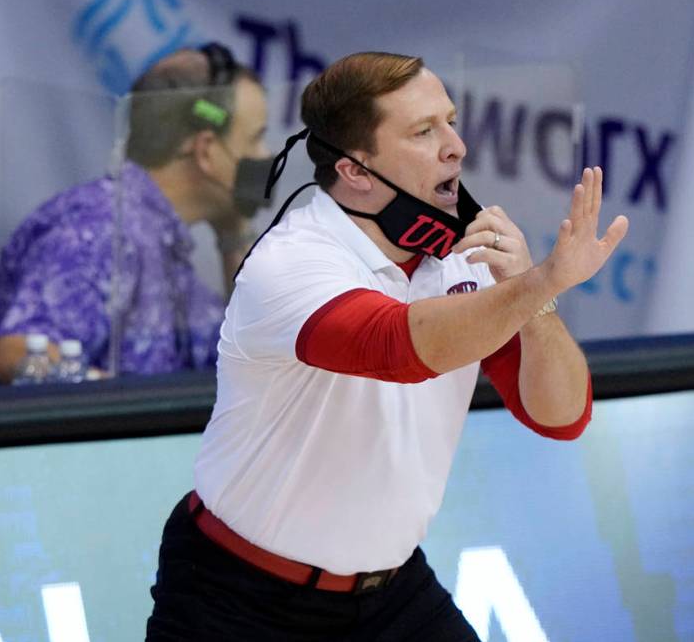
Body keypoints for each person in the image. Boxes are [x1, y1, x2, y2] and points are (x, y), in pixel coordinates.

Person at [145, 52, 629, 640]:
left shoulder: (467, 258)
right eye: (424, 132)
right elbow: (395, 348)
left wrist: (535, 303)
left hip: (392, 594)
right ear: (356, 171)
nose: (457, 147)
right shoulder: (291, 260)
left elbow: (560, 416)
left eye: (450, 122)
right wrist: (539, 283)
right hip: (241, 597)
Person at [0, 43, 271, 385]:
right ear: (206, 150)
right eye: (257, 138)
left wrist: (234, 233)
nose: (267, 154)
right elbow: (18, 355)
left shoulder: (161, 242)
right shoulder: (102, 231)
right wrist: (122, 405)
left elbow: (248, 364)